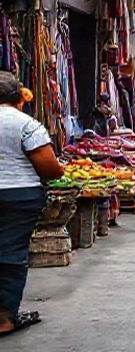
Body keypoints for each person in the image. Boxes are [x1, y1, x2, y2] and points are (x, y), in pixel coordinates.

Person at [0, 72, 64, 337]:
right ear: (19, 98)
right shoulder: (25, 124)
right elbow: (50, 168)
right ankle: (3, 318)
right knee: (11, 253)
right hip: (18, 195)